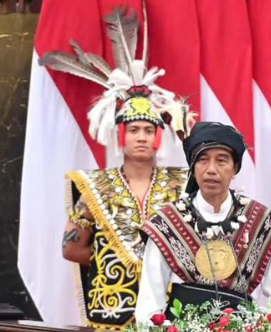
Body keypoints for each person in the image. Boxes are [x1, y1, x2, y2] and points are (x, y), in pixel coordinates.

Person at [40, 7, 195, 329]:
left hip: (171, 311)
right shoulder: (96, 186)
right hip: (112, 307)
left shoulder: (183, 184)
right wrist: (111, 258)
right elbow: (71, 248)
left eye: (148, 130)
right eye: (134, 130)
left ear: (158, 136)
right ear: (121, 136)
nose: (141, 137)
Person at [135, 122, 271, 322]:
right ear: (193, 168)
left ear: (235, 168)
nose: (211, 169)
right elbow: (148, 309)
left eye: (221, 161)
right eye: (203, 160)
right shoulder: (167, 223)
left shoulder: (261, 223)